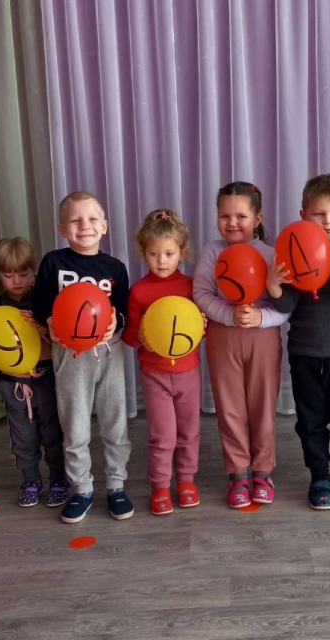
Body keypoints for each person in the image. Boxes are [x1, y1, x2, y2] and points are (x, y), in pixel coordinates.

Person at [30, 191, 132, 524]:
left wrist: (117, 322)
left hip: (109, 352)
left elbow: (125, 312)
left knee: (115, 423)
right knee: (74, 426)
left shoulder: (115, 267)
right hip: (69, 355)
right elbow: (39, 306)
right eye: (75, 220)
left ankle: (116, 485)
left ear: (104, 226)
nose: (84, 225)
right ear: (62, 229)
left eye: (91, 219)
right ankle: (82, 489)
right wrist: (49, 323)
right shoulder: (53, 262)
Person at [267, 174, 330, 510]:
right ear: (303, 215)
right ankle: (319, 476)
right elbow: (286, 306)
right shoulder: (297, 253)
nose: (328, 221)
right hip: (306, 356)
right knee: (311, 422)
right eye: (319, 214)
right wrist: (274, 286)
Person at [193, 182, 289, 509]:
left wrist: (260, 317)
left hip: (264, 339)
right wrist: (228, 315)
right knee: (230, 408)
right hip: (223, 339)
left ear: (257, 219)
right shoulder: (212, 251)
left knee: (262, 408)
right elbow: (201, 294)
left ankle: (262, 472)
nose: (232, 223)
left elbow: (286, 306)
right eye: (224, 216)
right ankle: (237, 473)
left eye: (241, 216)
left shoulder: (271, 254)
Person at [0, 237, 68, 509]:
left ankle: (59, 478)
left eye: (23, 274)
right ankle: (30, 480)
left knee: (53, 434)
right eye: (8, 275)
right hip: (13, 384)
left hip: (47, 378)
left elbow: (59, 340)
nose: (16, 281)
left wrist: (41, 328)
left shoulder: (43, 303)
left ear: (34, 271)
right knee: (23, 438)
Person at [123, 209, 202, 515]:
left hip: (188, 372)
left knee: (189, 431)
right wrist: (141, 337)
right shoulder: (139, 291)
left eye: (169, 253)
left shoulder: (191, 287)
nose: (162, 261)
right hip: (154, 374)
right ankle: (160, 486)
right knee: (162, 436)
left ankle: (186, 480)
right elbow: (129, 336)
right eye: (154, 254)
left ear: (182, 253)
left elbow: (198, 329)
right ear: (143, 253)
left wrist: (203, 325)